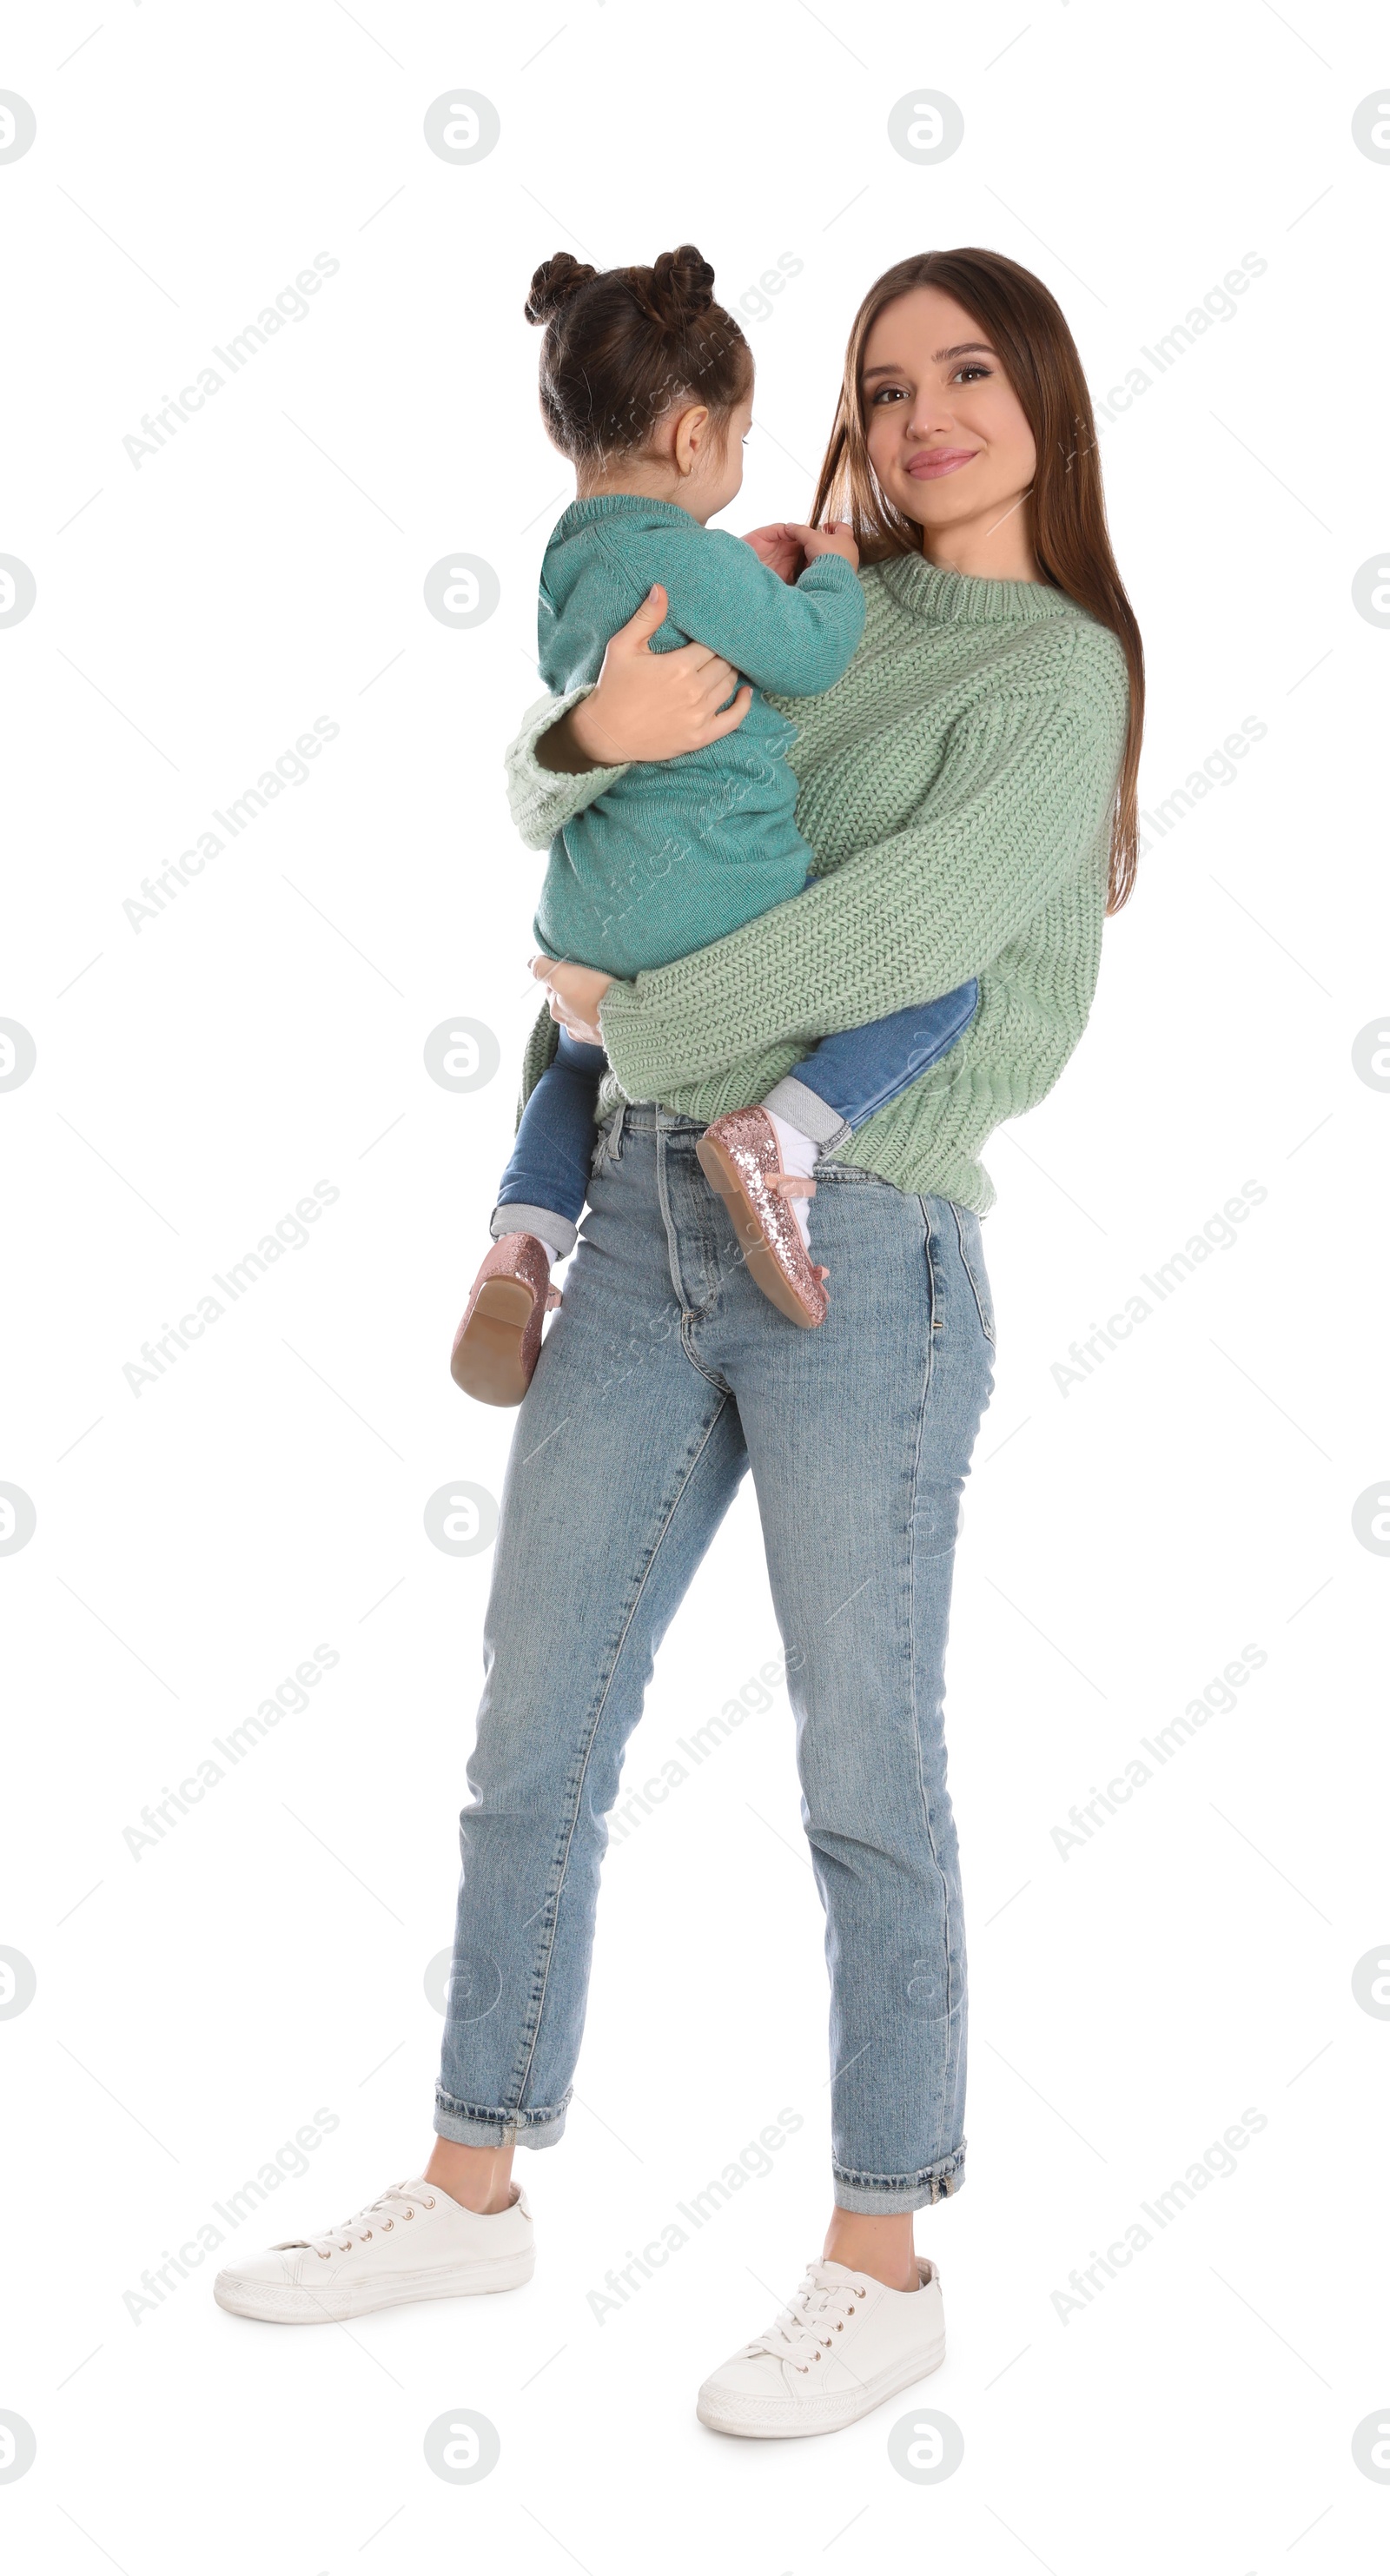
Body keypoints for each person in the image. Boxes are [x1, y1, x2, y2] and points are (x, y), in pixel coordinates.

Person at [215, 246, 1143, 2444]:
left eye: (968, 375)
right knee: (532, 1721)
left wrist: (620, 1012)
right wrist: (566, 746)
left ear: (1046, 405)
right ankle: (470, 2179)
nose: (921, 415)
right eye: (883, 379)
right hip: (639, 1224)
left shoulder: (1059, 672)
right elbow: (617, 798)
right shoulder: (795, 588)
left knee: (857, 1769)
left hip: (864, 1234)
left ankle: (877, 2250)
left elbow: (885, 934)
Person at [452, 241, 977, 1402]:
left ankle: (522, 1241)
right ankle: (779, 1133)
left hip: (584, 909)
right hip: (714, 904)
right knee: (948, 988)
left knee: (574, 1066)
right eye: (739, 437)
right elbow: (809, 652)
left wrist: (729, 580)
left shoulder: (564, 560)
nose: (738, 456)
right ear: (695, 440)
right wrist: (828, 574)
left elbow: (640, 641)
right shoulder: (692, 557)